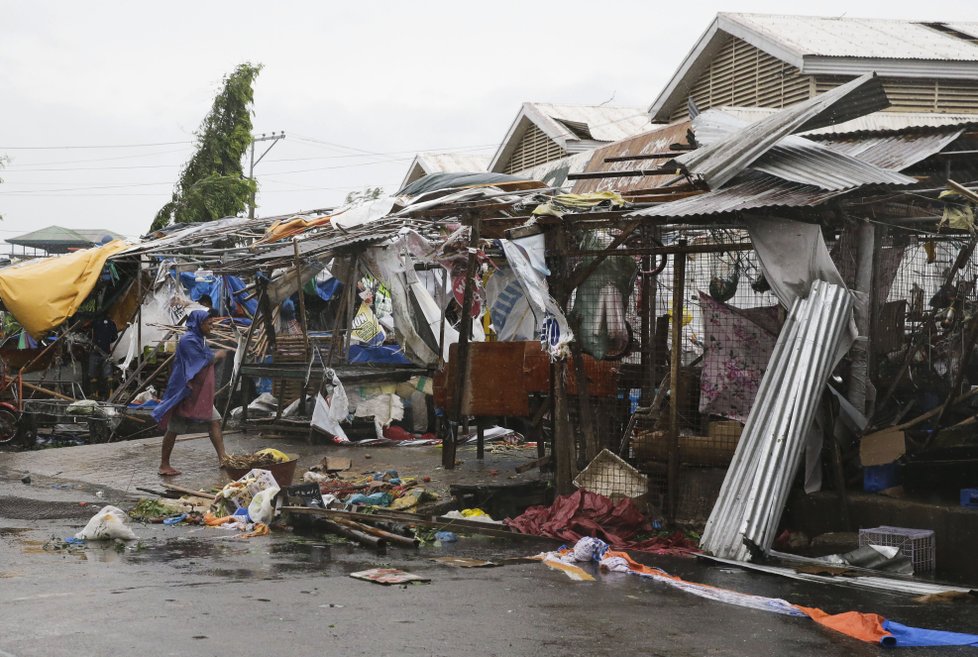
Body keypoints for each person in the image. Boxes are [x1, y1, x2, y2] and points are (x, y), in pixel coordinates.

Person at [152, 309, 228, 476]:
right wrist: (217, 356)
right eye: (208, 324)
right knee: (174, 428)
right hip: (186, 390)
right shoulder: (188, 340)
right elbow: (199, 361)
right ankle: (164, 465)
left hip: (200, 393)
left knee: (215, 421)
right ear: (199, 324)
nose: (212, 326)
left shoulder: (200, 339)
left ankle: (223, 459)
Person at [88, 316, 118, 399]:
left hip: (100, 352)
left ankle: (97, 395)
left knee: (95, 374)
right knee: (107, 375)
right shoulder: (111, 323)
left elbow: (90, 335)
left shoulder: (95, 322)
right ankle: (107, 396)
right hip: (103, 351)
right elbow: (114, 337)